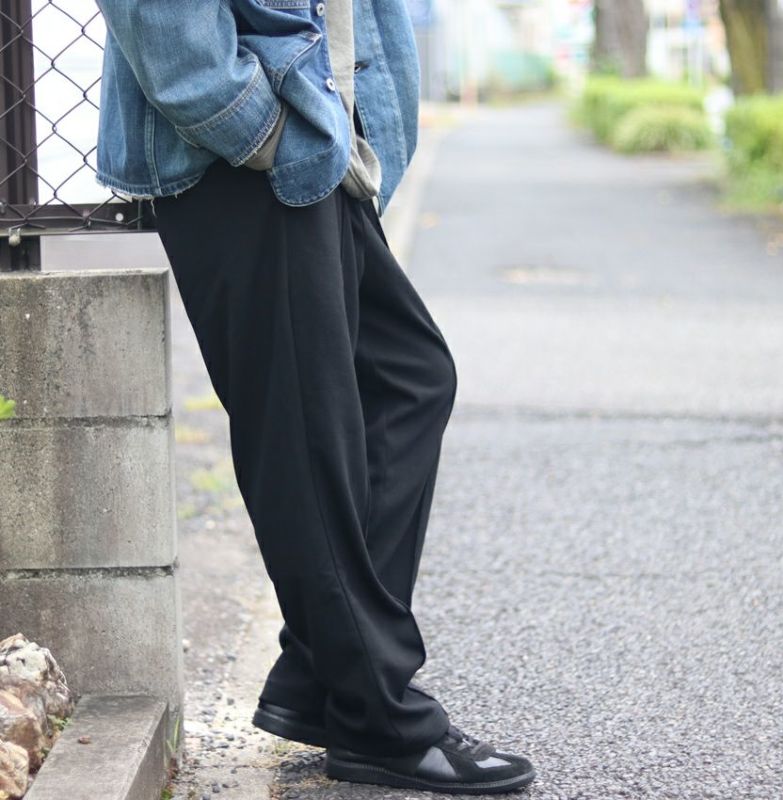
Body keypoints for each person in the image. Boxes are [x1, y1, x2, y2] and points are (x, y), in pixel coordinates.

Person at [94, 0, 534, 793]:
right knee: (306, 438)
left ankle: (317, 675)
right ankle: (378, 718)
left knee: (408, 378)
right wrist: (258, 129)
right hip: (248, 152)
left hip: (315, 139)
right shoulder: (257, 138)